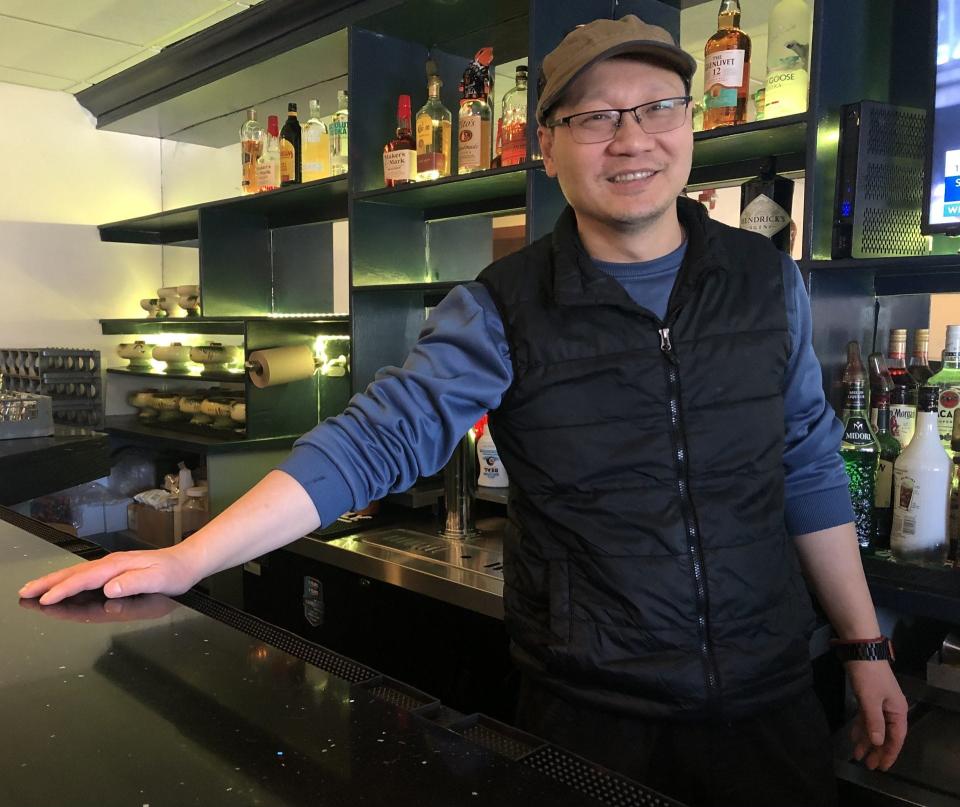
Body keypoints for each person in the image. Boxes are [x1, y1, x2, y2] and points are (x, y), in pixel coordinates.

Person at [20, 16, 906, 806]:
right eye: (594, 116)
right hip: (591, 716)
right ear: (548, 147)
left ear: (691, 122)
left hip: (772, 705)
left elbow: (807, 467)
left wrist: (865, 648)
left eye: (657, 107)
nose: (630, 138)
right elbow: (374, 440)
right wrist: (187, 556)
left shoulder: (767, 284)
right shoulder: (503, 306)